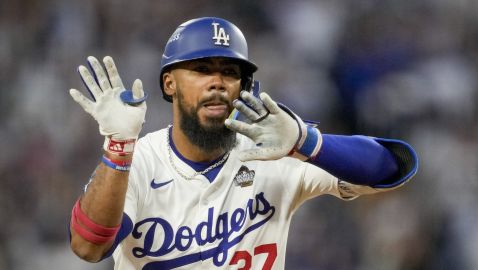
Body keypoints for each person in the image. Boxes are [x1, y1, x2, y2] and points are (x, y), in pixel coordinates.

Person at [68, 17, 418, 270]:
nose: (218, 82)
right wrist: (119, 146)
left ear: (245, 85)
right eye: (202, 69)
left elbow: (392, 166)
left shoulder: (276, 149)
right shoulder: (140, 160)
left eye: (231, 72)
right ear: (170, 83)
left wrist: (306, 141)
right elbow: (88, 247)